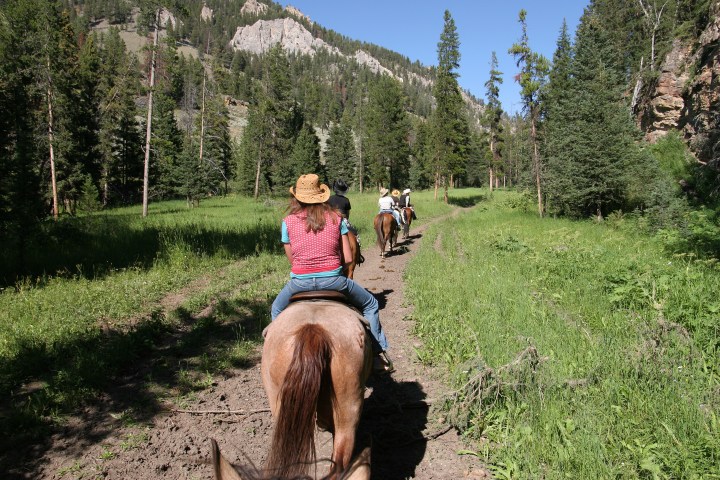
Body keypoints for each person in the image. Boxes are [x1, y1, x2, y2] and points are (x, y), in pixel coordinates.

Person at [271, 174, 394, 373]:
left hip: (299, 284)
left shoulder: (288, 222)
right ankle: (377, 354)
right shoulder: (337, 218)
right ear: (321, 196)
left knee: (276, 310)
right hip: (335, 281)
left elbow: (292, 259)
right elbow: (347, 259)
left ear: (297, 198)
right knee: (371, 304)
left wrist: (307, 268)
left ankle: (276, 355)